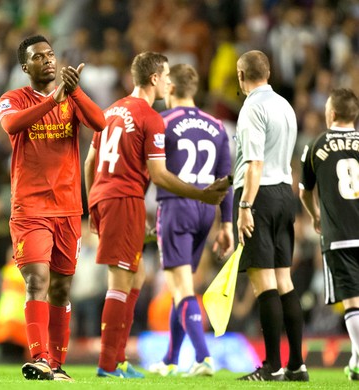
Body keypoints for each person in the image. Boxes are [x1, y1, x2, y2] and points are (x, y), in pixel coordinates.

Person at [84, 53, 229, 379]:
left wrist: (94, 203)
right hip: (125, 199)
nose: (168, 82)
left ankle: (120, 358)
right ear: (154, 79)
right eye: (165, 76)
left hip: (113, 199)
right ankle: (108, 365)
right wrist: (201, 193)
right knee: (120, 282)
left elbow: (90, 162)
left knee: (136, 278)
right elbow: (160, 176)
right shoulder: (150, 118)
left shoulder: (110, 110)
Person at [0, 35, 106, 381]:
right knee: (37, 279)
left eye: (51, 55)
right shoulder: (13, 99)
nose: (47, 60)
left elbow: (100, 123)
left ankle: (57, 366)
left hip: (68, 209)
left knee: (61, 287)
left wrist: (72, 92)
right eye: (38, 56)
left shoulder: (70, 98)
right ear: (24, 67)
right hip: (30, 208)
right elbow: (13, 125)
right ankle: (39, 357)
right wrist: (53, 99)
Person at [147, 63, 234, 377]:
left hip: (176, 206)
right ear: (194, 89)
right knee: (180, 286)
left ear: (169, 88)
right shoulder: (218, 125)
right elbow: (226, 179)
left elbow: (151, 172)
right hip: (205, 212)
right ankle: (171, 359)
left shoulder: (161, 121)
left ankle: (203, 357)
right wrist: (226, 224)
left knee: (182, 287)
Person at [233, 50, 307, 381]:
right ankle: (297, 365)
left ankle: (272, 366)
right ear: (269, 73)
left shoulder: (252, 108)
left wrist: (245, 206)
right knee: (284, 280)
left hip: (259, 195)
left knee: (264, 284)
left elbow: (254, 162)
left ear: (241, 75)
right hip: (283, 193)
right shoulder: (285, 106)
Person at [299, 88, 359, 382]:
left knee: (352, 301)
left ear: (331, 114)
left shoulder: (316, 144)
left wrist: (315, 216)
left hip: (339, 235)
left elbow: (304, 192)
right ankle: (357, 362)